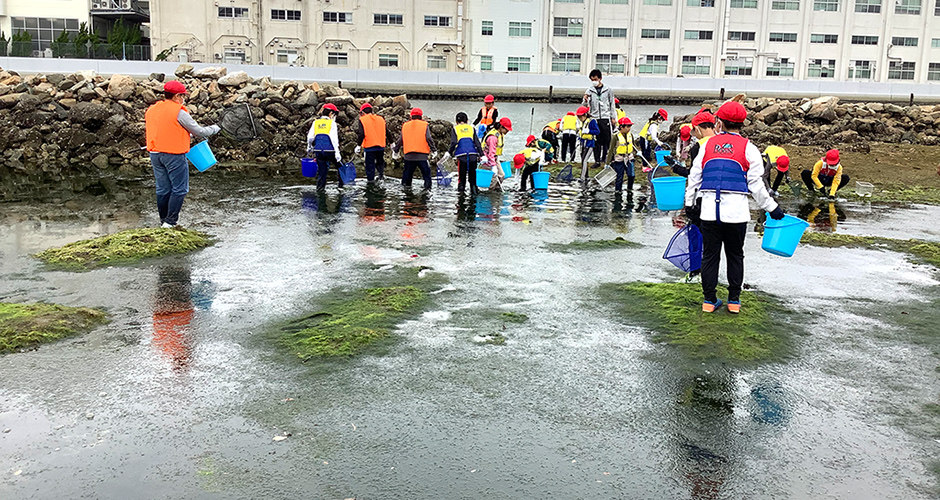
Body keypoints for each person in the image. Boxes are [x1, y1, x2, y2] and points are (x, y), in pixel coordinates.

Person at [684, 101, 784, 314]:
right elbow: (756, 184)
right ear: (742, 123)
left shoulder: (707, 146)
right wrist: (772, 208)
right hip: (736, 214)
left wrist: (689, 203)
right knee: (735, 255)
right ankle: (734, 301)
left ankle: (709, 301)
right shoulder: (749, 148)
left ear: (719, 122)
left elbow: (694, 177)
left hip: (710, 211)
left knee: (710, 256)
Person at [145, 81, 221, 228]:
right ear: (177, 96)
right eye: (183, 96)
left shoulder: (152, 109)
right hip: (173, 155)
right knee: (179, 189)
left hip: (155, 153)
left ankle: (163, 221)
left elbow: (167, 129)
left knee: (163, 188)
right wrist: (216, 128)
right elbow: (199, 132)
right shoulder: (179, 111)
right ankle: (170, 222)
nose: (184, 99)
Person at [392, 108, 435, 190]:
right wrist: (434, 150)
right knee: (427, 178)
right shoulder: (425, 125)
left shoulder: (405, 125)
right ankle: (426, 195)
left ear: (411, 116)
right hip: (422, 157)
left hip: (409, 157)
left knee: (406, 180)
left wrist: (396, 150)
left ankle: (407, 198)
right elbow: (429, 138)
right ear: (421, 116)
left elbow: (400, 140)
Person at [307, 103, 345, 191]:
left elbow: (310, 137)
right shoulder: (332, 123)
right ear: (331, 113)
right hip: (330, 151)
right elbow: (334, 139)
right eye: (334, 114)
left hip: (318, 150)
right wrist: (337, 153)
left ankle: (320, 190)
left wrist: (309, 148)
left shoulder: (316, 122)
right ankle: (341, 187)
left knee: (322, 172)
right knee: (341, 167)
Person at [582, 69, 616, 166]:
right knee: (596, 140)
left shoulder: (608, 90)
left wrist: (613, 117)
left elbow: (612, 104)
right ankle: (597, 160)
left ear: (600, 78)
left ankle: (609, 159)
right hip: (594, 117)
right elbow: (584, 106)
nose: (594, 81)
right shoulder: (589, 90)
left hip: (605, 117)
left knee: (607, 140)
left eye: (595, 79)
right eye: (592, 80)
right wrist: (585, 99)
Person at [672, 112, 717, 177]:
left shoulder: (698, 146)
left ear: (696, 128)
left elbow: (692, 174)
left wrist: (675, 167)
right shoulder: (724, 141)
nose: (696, 136)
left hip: (705, 183)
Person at [450, 112, 484, 195]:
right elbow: (477, 143)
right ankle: (474, 198)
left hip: (462, 156)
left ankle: (461, 199)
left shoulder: (455, 129)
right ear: (467, 121)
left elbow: (454, 142)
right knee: (473, 179)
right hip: (473, 155)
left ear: (456, 121)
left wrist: (449, 153)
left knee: (462, 179)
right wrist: (482, 155)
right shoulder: (471, 128)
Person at [355, 102, 390, 183]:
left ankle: (370, 182)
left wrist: (358, 145)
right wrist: (392, 143)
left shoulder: (362, 120)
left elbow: (361, 134)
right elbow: (387, 132)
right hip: (380, 147)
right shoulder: (381, 118)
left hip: (369, 148)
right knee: (380, 164)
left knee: (370, 166)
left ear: (363, 112)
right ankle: (381, 177)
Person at [605, 117, 636, 194]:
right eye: (627, 126)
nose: (629, 128)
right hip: (619, 159)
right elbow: (611, 150)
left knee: (631, 175)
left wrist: (637, 153)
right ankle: (618, 191)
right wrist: (607, 163)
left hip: (629, 158)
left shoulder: (630, 135)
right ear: (621, 127)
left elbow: (634, 146)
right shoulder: (615, 137)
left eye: (630, 126)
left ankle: (629, 189)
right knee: (619, 177)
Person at [483, 117, 512, 188]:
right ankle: (490, 192)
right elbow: (490, 153)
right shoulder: (493, 138)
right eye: (507, 130)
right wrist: (493, 166)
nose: (507, 132)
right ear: (501, 127)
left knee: (501, 175)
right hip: (488, 159)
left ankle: (496, 189)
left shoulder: (499, 134)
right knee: (493, 178)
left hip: (495, 158)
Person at [576, 106, 600, 185]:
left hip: (590, 143)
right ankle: (586, 176)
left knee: (585, 159)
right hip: (583, 143)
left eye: (580, 116)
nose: (579, 118)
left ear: (585, 115)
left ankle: (583, 178)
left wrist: (588, 131)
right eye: (578, 116)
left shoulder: (592, 121)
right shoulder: (582, 122)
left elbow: (597, 131)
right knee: (582, 159)